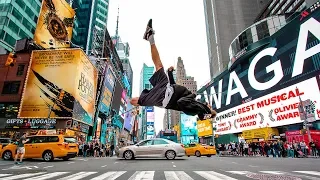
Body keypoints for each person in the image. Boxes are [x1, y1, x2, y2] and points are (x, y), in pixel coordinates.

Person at [130, 19, 217, 120]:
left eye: (210, 107)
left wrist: (207, 110)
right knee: (158, 67)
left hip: (166, 95)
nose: (210, 105)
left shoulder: (197, 109)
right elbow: (176, 90)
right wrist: (170, 73)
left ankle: (150, 37)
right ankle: (150, 37)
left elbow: (181, 102)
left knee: (136, 99)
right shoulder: (194, 103)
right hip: (168, 91)